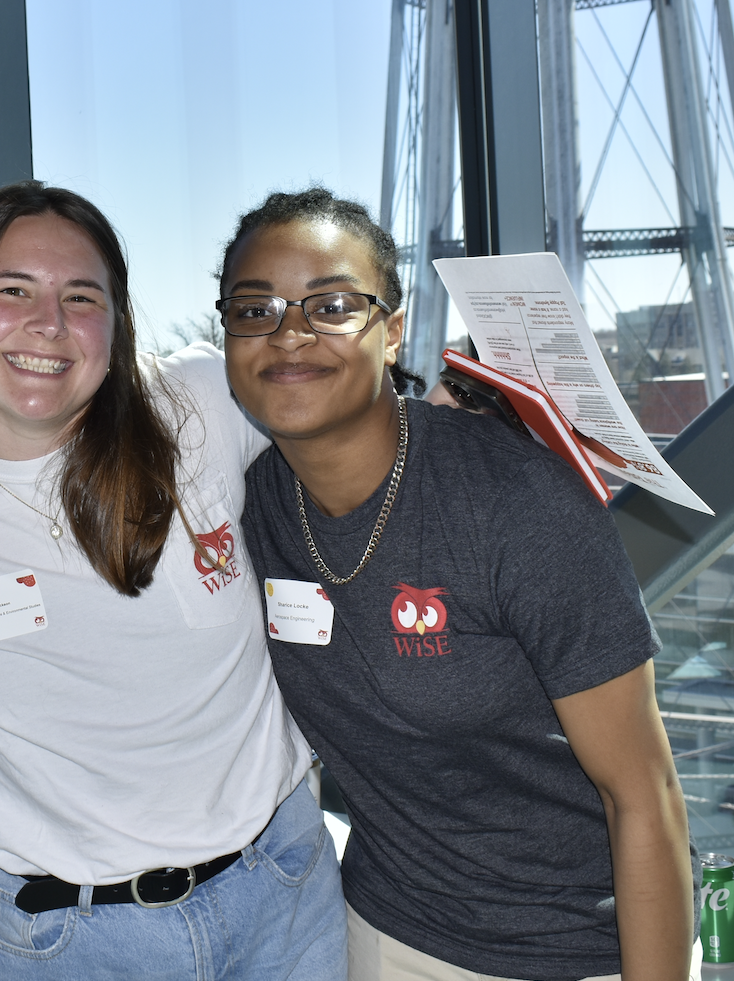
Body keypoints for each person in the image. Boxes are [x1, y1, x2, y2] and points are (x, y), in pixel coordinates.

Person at [219, 189, 692, 981]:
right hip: (384, 932)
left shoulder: (515, 502)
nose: (290, 333)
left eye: (331, 304)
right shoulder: (251, 498)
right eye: (255, 308)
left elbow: (645, 795)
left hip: (568, 950)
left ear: (393, 328)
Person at [0, 182, 346, 981]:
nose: (49, 322)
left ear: (116, 327)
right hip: (71, 944)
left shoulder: (197, 403)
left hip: (284, 894)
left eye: (81, 296)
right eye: (12, 289)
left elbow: (354, 391)